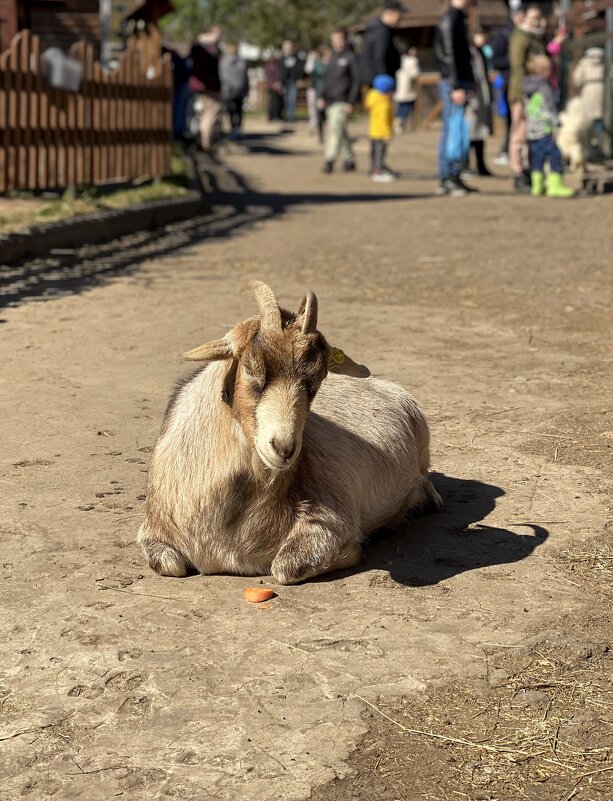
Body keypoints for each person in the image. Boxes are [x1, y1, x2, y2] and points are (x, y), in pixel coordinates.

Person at [434, 0, 476, 196]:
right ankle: (447, 176)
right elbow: (449, 54)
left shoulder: (459, 18)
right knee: (452, 129)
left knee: (459, 130)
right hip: (453, 83)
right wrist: (456, 84)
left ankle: (455, 174)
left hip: (459, 81)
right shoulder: (450, 20)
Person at [508, 3, 546, 192]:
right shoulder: (520, 37)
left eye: (538, 18)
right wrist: (524, 92)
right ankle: (518, 172)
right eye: (533, 18)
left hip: (538, 93)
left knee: (534, 133)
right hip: (523, 92)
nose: (536, 21)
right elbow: (517, 66)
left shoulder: (537, 38)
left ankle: (532, 171)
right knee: (519, 134)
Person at [524, 55, 574, 198]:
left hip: (532, 130)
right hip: (545, 129)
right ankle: (555, 186)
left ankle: (537, 186)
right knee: (554, 155)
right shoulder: (544, 88)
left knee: (537, 157)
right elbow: (550, 108)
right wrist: (556, 125)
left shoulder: (527, 87)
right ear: (542, 71)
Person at [321, 29, 360, 174]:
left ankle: (329, 160)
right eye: (334, 40)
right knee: (341, 131)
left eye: (339, 39)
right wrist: (322, 96)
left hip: (342, 100)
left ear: (345, 40)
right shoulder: (332, 58)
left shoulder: (351, 57)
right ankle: (349, 159)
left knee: (335, 131)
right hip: (330, 100)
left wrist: (351, 101)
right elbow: (327, 80)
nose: (337, 43)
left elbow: (356, 81)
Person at [490, 5, 524, 165]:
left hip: (524, 83)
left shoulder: (527, 34)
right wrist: (516, 62)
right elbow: (495, 60)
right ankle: (506, 150)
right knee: (511, 119)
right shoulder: (504, 35)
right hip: (509, 82)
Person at [189, 26, 223, 152]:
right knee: (210, 115)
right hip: (209, 87)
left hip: (201, 86)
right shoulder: (209, 49)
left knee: (203, 115)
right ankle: (206, 143)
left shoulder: (200, 47)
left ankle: (201, 141)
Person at [466, 30, 493, 176]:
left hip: (482, 97)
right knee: (470, 133)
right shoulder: (470, 54)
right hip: (473, 97)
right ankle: (465, 165)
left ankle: (481, 165)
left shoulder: (481, 53)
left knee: (480, 134)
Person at [359, 0, 404, 88]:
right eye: (399, 16)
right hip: (379, 83)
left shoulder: (378, 28)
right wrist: (384, 83)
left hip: (376, 80)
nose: (400, 20)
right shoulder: (381, 31)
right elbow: (379, 56)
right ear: (391, 13)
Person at [365, 74, 396, 182]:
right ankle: (378, 172)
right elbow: (384, 122)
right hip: (381, 133)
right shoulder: (384, 105)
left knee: (374, 153)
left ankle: (374, 168)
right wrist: (388, 134)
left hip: (373, 131)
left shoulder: (373, 98)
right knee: (380, 154)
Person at [573, 48, 605, 149]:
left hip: (588, 89)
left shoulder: (584, 62)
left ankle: (588, 140)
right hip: (601, 89)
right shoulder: (604, 62)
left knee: (587, 116)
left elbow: (577, 77)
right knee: (598, 116)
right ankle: (597, 139)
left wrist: (579, 83)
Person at [219, 43, 249, 140]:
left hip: (227, 90)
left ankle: (233, 129)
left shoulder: (223, 62)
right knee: (239, 110)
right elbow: (245, 78)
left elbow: (221, 77)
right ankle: (238, 129)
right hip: (239, 90)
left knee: (231, 110)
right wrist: (246, 90)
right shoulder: (242, 63)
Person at [305, 46, 330, 142]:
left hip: (326, 91)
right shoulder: (316, 63)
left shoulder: (328, 63)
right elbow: (308, 70)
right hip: (316, 90)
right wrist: (311, 58)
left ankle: (323, 133)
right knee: (315, 111)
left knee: (324, 112)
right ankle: (318, 132)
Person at [394, 46, 420, 134]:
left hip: (399, 85)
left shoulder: (401, 59)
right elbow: (415, 74)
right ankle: (400, 120)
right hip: (407, 86)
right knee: (408, 105)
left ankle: (399, 120)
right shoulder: (413, 61)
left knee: (401, 105)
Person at [278, 40, 304, 123]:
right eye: (286, 47)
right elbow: (279, 71)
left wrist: (299, 79)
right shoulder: (281, 59)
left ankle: (291, 117)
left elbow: (300, 69)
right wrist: (279, 81)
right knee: (285, 100)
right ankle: (286, 116)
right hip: (284, 82)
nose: (288, 49)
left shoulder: (297, 58)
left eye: (289, 47)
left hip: (293, 81)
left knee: (292, 99)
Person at [264, 54, 283, 121]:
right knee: (273, 102)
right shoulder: (273, 66)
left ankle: (273, 116)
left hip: (271, 85)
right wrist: (276, 83)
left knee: (274, 102)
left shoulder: (268, 65)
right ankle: (273, 116)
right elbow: (274, 75)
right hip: (273, 85)